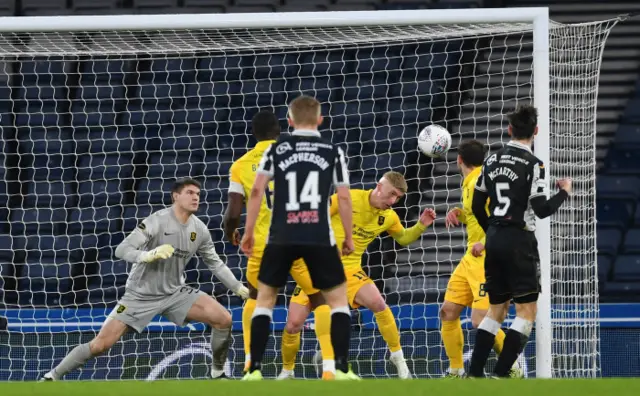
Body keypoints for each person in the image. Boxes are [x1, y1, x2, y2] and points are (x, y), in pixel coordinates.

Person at [41, 178, 249, 381]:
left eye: (198, 194)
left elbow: (215, 263)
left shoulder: (200, 229)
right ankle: (52, 376)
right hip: (140, 295)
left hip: (175, 292)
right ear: (175, 196)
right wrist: (146, 255)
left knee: (224, 319)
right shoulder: (157, 221)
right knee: (100, 345)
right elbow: (121, 249)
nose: (196, 197)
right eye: (190, 193)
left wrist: (237, 287)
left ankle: (218, 373)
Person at [240, 95, 358, 381]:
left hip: (281, 235)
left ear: (289, 121)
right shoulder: (333, 151)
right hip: (318, 235)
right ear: (320, 120)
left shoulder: (276, 149)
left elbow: (257, 191)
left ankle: (254, 369)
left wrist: (248, 232)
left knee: (265, 300)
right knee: (338, 302)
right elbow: (343, 196)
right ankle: (340, 368)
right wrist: (349, 236)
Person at [278, 171, 436, 380]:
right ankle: (287, 371)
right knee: (293, 325)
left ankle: (398, 359)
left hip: (351, 271)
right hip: (318, 267)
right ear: (379, 186)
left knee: (379, 304)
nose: (393, 201)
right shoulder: (348, 198)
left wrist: (421, 225)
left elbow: (404, 239)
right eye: (391, 194)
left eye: (397, 198)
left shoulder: (389, 217)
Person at [223, 110, 334, 376]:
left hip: (264, 245)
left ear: (254, 134)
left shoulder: (240, 165)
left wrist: (232, 232)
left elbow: (233, 212)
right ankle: (331, 369)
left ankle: (252, 368)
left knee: (256, 298)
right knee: (320, 299)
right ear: (279, 132)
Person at [468, 105, 572, 378]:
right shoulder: (534, 164)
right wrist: (564, 192)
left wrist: (491, 230)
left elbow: (477, 204)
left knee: (496, 309)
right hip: (520, 240)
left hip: (494, 239)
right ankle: (501, 374)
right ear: (535, 131)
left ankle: (475, 374)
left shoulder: (490, 161)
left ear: (509, 130)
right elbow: (541, 210)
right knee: (526, 311)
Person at [440, 140, 522, 378]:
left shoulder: (482, 182)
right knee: (448, 311)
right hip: (470, 258)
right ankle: (456, 370)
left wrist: (485, 242)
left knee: (480, 320)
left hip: (487, 257)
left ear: (458, 160)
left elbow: (503, 216)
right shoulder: (470, 182)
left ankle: (513, 366)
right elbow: (479, 215)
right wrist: (460, 214)